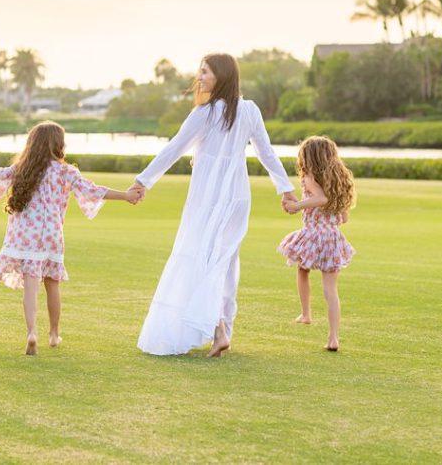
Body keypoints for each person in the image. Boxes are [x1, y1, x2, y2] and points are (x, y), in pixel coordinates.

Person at [128, 53, 296, 357]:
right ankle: (223, 330)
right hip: (237, 197)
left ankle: (218, 329)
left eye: (205, 72)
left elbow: (174, 148)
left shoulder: (206, 113)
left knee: (204, 259)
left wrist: (143, 181)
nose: (200, 77)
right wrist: (284, 188)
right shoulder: (249, 110)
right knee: (226, 262)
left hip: (210, 198)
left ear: (221, 76)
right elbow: (267, 153)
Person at [0, 121, 142, 355]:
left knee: (30, 284)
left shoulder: (22, 168)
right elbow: (94, 190)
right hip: (50, 234)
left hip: (24, 233)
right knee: (52, 284)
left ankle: (31, 333)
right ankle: (53, 334)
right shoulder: (65, 171)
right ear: (58, 145)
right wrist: (126, 195)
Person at [278, 135, 356, 352]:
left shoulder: (309, 178)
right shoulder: (336, 181)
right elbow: (344, 217)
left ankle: (306, 314)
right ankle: (333, 338)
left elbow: (320, 199)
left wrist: (298, 206)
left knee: (302, 270)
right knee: (330, 288)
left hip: (314, 235)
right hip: (332, 237)